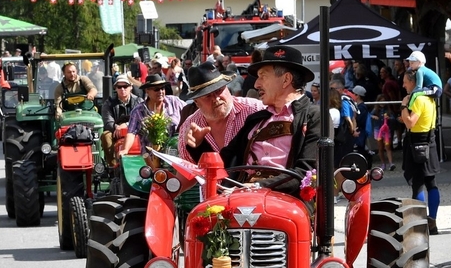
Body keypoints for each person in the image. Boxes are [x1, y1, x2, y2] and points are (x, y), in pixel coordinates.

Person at [206, 45, 320, 195]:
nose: (256, 84)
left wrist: (258, 186)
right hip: (243, 196)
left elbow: (306, 172)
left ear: (286, 79)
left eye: (263, 76)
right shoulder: (256, 119)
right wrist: (197, 145)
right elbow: (223, 159)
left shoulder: (314, 116)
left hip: (286, 203)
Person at [180, 62, 265, 163]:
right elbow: (187, 173)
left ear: (227, 88)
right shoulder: (188, 129)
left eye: (219, 90)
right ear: (196, 102)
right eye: (207, 95)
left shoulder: (256, 110)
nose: (216, 98)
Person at [401, 69, 442, 235]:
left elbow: (410, 122)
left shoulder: (418, 99)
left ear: (414, 82)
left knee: (418, 183)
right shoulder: (430, 99)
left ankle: (421, 223)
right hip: (429, 141)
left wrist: (404, 106)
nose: (404, 85)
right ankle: (432, 221)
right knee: (431, 182)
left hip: (417, 143)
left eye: (405, 81)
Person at [124, 74, 185, 160]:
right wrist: (125, 150)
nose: (160, 91)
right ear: (147, 91)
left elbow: (190, 111)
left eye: (162, 88)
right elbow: (131, 133)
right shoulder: (138, 111)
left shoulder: (175, 102)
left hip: (175, 156)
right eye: (156, 89)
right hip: (150, 158)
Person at [101, 75, 142, 168]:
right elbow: (108, 121)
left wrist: (127, 125)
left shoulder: (139, 101)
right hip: (115, 132)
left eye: (125, 86)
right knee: (105, 135)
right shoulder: (108, 103)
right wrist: (116, 127)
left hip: (135, 131)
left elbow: (142, 119)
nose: (122, 89)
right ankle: (113, 166)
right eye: (119, 87)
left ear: (131, 87)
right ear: (115, 88)